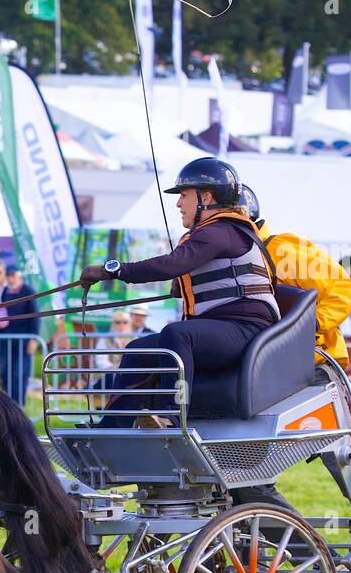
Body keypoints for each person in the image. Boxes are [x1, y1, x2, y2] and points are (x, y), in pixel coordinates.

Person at [80, 157, 278, 428]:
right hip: (223, 328)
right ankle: (112, 426)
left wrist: (113, 269)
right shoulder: (216, 233)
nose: (178, 203)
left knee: (177, 333)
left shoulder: (221, 230)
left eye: (184, 195)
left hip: (246, 329)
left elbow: (173, 263)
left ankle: (171, 415)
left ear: (206, 198)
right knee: (136, 348)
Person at [240, 183, 351, 367]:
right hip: (274, 363)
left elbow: (340, 288)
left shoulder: (279, 250)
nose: (178, 204)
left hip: (311, 363)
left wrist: (309, 325)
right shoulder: (242, 255)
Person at [0, 268, 38, 405]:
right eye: (8, 276)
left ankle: (19, 404)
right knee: (5, 373)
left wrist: (33, 339)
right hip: (7, 339)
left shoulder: (28, 291)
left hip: (24, 339)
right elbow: (2, 313)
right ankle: (10, 403)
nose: (11, 279)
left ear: (19, 276)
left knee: (19, 373)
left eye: (13, 276)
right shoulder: (5, 291)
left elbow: (35, 316)